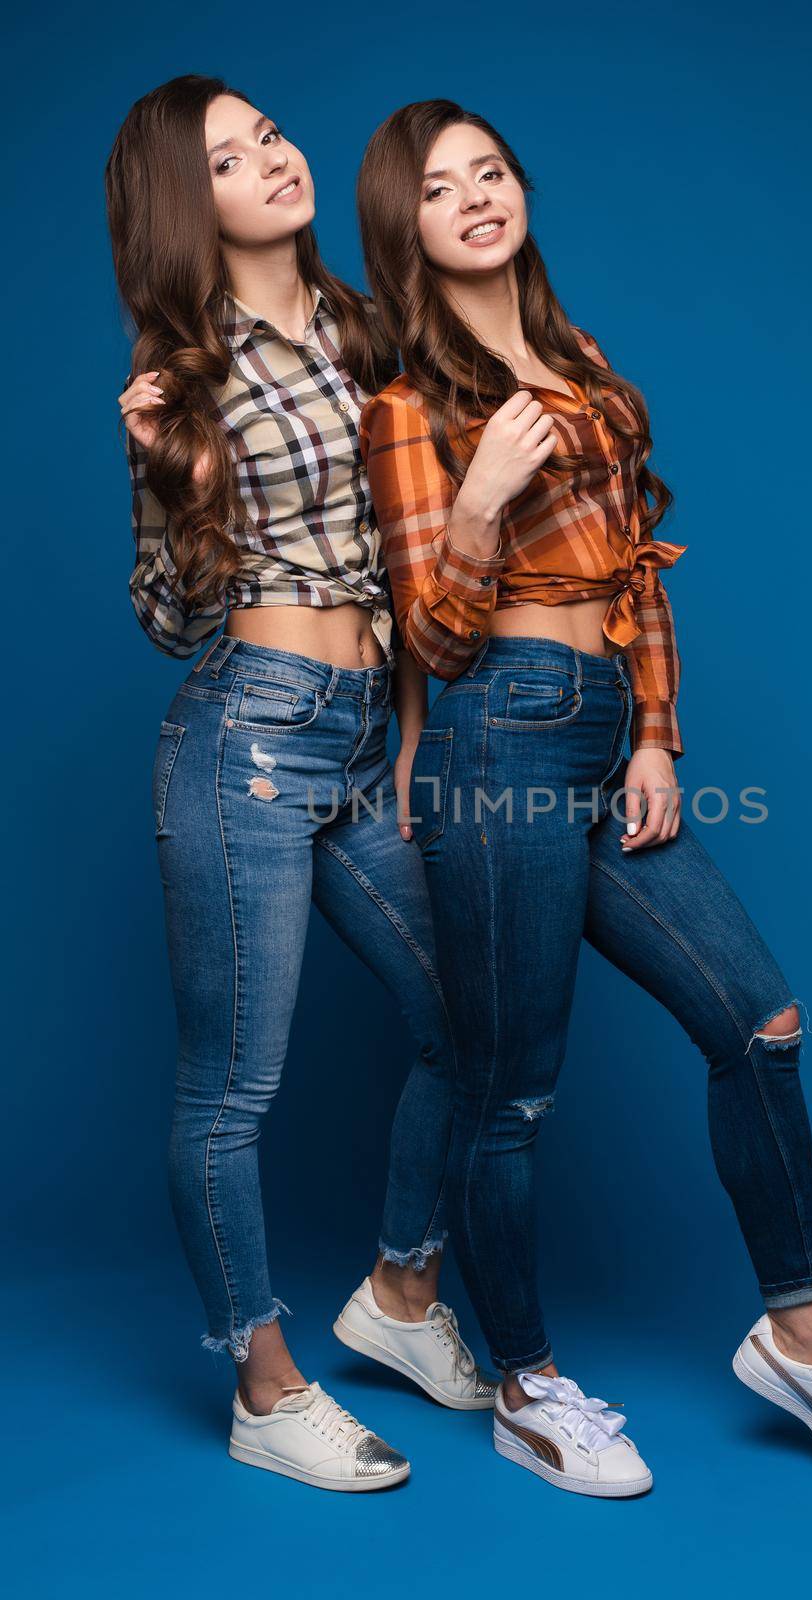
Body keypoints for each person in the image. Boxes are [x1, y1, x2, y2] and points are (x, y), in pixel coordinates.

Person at [356, 99, 812, 1497]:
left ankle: (799, 1343)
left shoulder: (587, 366)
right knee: (512, 1092)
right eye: (441, 187)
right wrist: (478, 504)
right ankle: (528, 1389)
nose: (477, 197)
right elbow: (428, 638)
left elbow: (637, 576)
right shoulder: (410, 406)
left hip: (605, 741)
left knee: (759, 1021)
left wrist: (656, 735)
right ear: (404, 227)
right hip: (496, 738)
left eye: (492, 170)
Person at [105, 75, 494, 1493]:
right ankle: (266, 1388)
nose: (272, 157)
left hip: (354, 737)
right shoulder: (182, 376)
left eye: (271, 131)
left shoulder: (367, 327)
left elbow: (413, 551)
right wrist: (166, 471)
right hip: (245, 739)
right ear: (183, 202)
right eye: (230, 155)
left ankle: (398, 1298)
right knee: (233, 1092)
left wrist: (403, 730)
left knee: (468, 1021)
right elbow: (165, 616)